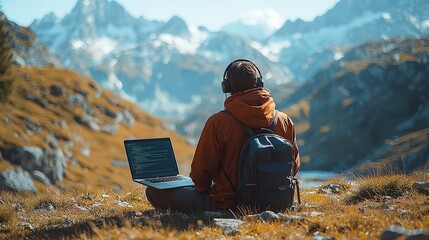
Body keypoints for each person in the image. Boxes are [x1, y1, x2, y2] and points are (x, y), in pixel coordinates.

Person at [146, 59, 300, 213]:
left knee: (153, 192)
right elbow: (294, 167)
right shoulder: (284, 120)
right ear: (260, 83)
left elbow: (200, 178)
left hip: (229, 205)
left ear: (226, 87)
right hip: (277, 201)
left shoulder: (218, 122)